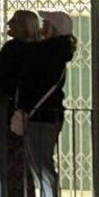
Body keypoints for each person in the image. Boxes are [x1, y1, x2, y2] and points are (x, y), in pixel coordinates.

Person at [0, 10, 40, 197]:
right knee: (25, 159)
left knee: (9, 159)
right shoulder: (38, 50)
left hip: (6, 112)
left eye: (15, 21)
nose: (9, 23)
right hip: (28, 111)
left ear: (24, 26)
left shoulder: (13, 48)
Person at [19, 11, 76, 197]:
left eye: (46, 24)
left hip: (43, 114)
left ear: (55, 28)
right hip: (44, 114)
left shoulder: (50, 52)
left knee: (41, 163)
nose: (42, 27)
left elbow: (34, 81)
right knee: (39, 163)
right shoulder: (56, 50)